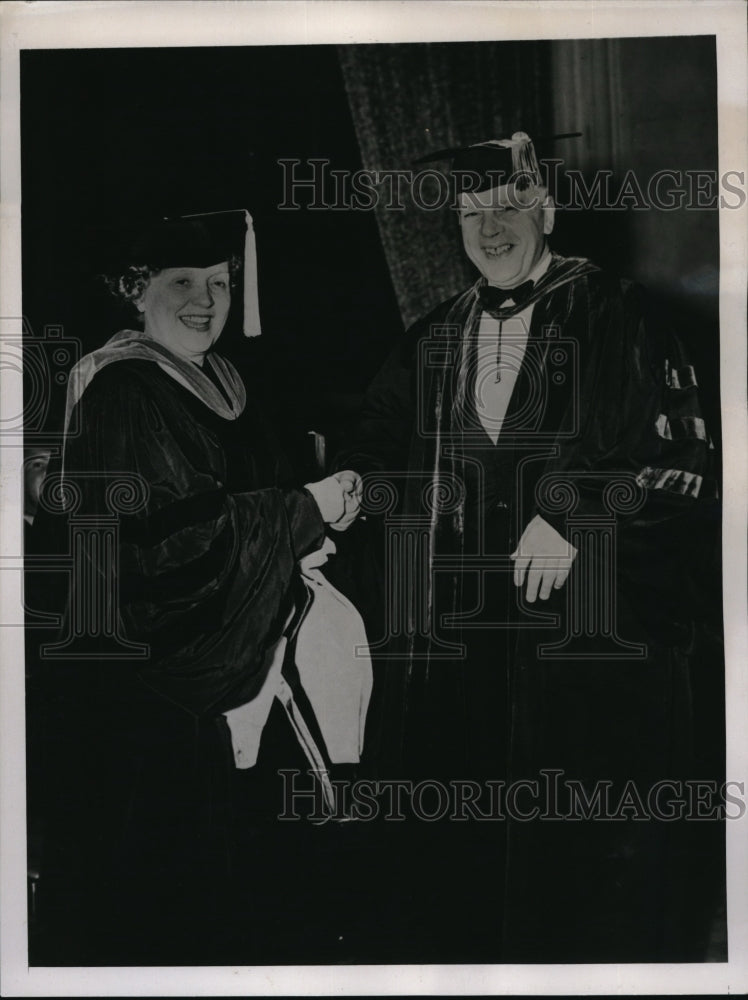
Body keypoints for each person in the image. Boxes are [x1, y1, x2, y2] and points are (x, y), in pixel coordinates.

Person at [335, 132, 721, 961]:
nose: (491, 226)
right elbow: (375, 444)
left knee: (578, 870)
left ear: (544, 206)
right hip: (467, 646)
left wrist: (578, 512)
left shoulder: (619, 310)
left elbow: (680, 458)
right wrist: (349, 495)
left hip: (584, 642)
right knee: (468, 870)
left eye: (507, 204)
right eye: (472, 212)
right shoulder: (434, 334)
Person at [33, 214, 363, 965]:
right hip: (154, 691)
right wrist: (304, 511)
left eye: (219, 281)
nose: (206, 300)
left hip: (237, 662)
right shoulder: (122, 390)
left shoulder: (226, 379)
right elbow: (173, 551)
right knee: (162, 904)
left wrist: (304, 528)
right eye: (183, 281)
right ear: (134, 289)